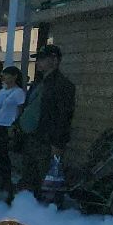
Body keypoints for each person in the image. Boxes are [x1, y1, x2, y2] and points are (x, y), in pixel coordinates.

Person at [15, 43, 76, 200]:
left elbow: (64, 118)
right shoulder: (39, 82)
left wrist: (58, 144)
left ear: (54, 60)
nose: (38, 62)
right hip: (31, 138)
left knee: (46, 184)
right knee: (28, 180)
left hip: (47, 142)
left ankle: (46, 211)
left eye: (42, 59)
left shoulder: (63, 85)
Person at [0, 66, 26, 202]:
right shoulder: (2, 90)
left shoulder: (18, 92)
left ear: (14, 76)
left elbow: (20, 110)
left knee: (5, 156)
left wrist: (16, 125)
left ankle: (8, 184)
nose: (4, 77)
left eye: (7, 75)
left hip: (8, 126)